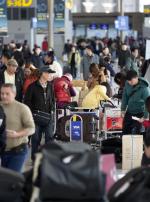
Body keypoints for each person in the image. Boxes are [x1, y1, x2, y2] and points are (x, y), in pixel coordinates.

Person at [0, 83, 35, 172]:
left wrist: (17, 134)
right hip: (2, 151)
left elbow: (31, 128)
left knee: (12, 179)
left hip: (18, 150)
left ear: (14, 94)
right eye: (2, 93)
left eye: (7, 94)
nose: (4, 96)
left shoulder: (22, 108)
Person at [24, 66, 56, 160]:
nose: (50, 75)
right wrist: (31, 115)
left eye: (50, 73)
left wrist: (52, 110)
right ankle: (35, 159)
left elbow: (52, 99)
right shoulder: (32, 86)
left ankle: (47, 159)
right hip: (36, 117)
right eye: (48, 73)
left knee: (49, 137)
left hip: (48, 116)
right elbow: (27, 101)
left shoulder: (50, 85)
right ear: (42, 73)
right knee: (36, 139)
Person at [121, 70, 150, 135]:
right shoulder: (127, 84)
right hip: (129, 111)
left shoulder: (144, 88)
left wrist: (145, 117)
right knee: (125, 131)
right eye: (128, 81)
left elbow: (148, 104)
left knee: (136, 133)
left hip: (140, 113)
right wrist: (123, 109)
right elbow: (125, 97)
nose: (130, 83)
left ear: (137, 78)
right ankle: (125, 144)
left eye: (131, 81)